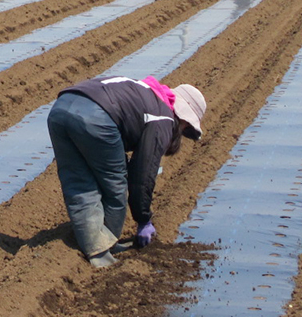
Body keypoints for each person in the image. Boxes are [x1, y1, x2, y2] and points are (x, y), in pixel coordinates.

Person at [47, 76, 207, 268]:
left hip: (60, 108)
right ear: (184, 120)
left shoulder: (146, 93)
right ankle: (105, 247)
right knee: (114, 185)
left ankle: (94, 246)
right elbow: (142, 177)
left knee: (77, 182)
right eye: (185, 128)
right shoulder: (163, 117)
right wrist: (143, 219)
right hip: (96, 116)